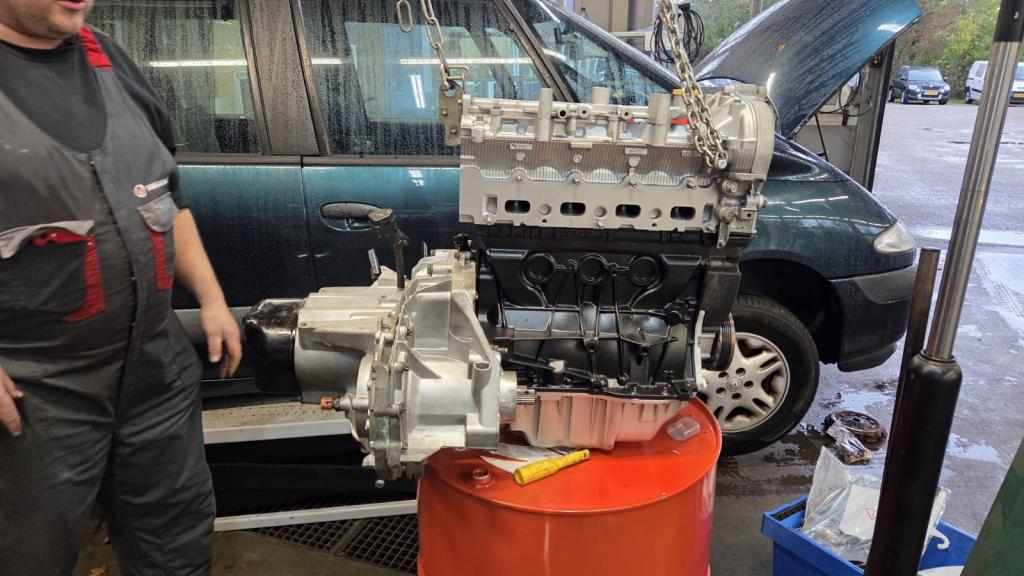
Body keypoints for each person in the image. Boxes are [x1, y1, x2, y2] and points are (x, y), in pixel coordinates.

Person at [0, 1, 242, 574]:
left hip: (155, 371)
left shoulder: (106, 56)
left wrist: (212, 299)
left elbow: (163, 196)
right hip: (37, 393)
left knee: (176, 548)